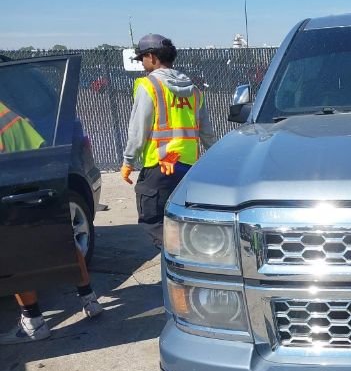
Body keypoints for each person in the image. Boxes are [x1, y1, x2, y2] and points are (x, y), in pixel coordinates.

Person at [0, 102, 104, 343]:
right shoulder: (7, 113)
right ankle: (89, 300)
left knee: (14, 257)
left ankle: (34, 323)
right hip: (38, 182)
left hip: (9, 191)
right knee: (62, 240)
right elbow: (39, 143)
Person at [120, 34, 215, 248]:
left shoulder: (149, 85)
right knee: (182, 219)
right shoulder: (193, 89)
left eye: (142, 58)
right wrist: (215, 158)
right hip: (188, 167)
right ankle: (190, 253)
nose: (142, 63)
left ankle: (178, 261)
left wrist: (128, 162)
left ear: (152, 57)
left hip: (161, 166)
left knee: (153, 220)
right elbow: (207, 132)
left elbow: (138, 129)